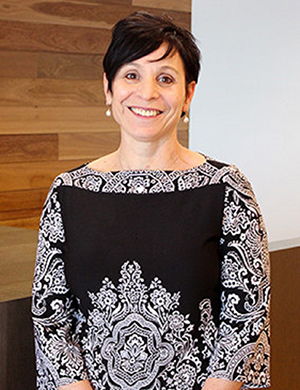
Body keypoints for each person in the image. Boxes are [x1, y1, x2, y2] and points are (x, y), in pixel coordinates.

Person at [31, 11, 270, 390]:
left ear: (188, 93)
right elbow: (50, 320)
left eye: (165, 78)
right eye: (131, 75)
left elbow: (246, 318)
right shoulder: (68, 192)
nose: (147, 93)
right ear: (108, 88)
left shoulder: (227, 189)